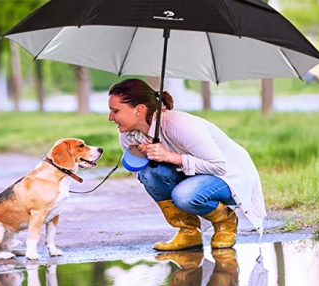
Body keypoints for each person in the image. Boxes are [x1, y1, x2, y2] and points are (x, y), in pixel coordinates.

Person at [108, 78, 266, 251]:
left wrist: (169, 156)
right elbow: (143, 177)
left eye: (115, 111)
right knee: (148, 173)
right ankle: (189, 232)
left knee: (184, 195)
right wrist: (146, 158)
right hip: (194, 176)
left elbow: (219, 166)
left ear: (139, 109)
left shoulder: (179, 124)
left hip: (228, 177)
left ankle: (225, 221)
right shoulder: (128, 136)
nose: (110, 117)